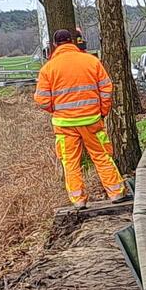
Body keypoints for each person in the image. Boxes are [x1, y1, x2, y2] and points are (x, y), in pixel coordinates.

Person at [35, 28, 129, 207]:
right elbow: (107, 89)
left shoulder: (48, 69)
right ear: (72, 41)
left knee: (70, 162)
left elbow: (41, 100)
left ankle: (78, 201)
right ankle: (116, 193)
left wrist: (56, 109)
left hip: (64, 124)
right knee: (101, 156)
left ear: (54, 45)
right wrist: (102, 111)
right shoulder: (91, 62)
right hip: (92, 120)